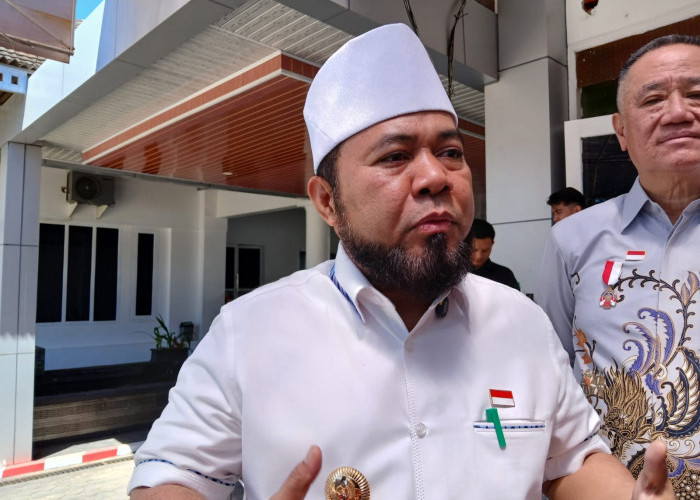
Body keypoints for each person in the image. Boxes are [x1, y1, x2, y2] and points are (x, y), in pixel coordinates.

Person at [129, 24, 674, 500]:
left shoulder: (521, 323)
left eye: (451, 152)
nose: (436, 176)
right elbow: (174, 475)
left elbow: (572, 460)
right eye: (395, 156)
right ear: (327, 202)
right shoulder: (249, 332)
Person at [537, 34, 700, 497]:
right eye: (653, 99)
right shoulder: (572, 239)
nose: (678, 112)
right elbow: (550, 374)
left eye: (696, 94)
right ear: (622, 130)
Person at [467, 218, 520, 289]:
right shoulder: (454, 274)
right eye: (473, 250)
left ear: (492, 244)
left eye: (485, 250)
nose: (479, 256)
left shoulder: (504, 275)